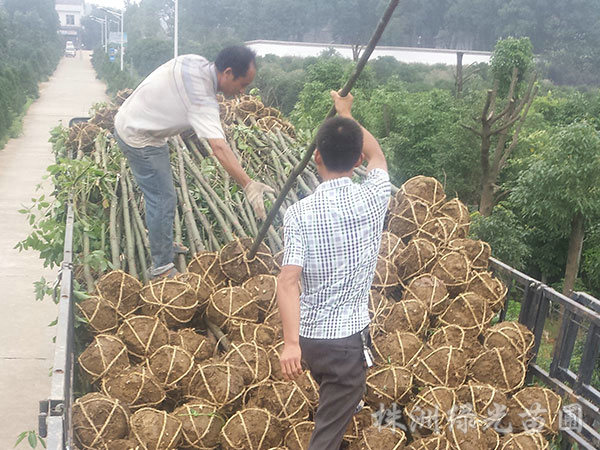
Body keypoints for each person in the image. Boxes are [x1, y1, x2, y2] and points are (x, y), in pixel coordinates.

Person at [277, 90, 390, 449]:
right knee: (327, 432)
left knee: (336, 411)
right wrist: (348, 113)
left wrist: (291, 343)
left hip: (310, 341)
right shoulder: (374, 196)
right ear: (356, 160)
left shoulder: (298, 213)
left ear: (317, 157)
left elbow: (288, 282)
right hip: (346, 344)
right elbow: (378, 155)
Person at [114, 46, 274, 278]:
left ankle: (163, 245)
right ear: (227, 73)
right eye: (242, 85)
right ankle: (160, 267)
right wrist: (248, 185)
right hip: (138, 136)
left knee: (164, 194)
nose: (241, 92)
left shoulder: (194, 61)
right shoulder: (202, 100)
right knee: (162, 197)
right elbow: (219, 147)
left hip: (137, 120)